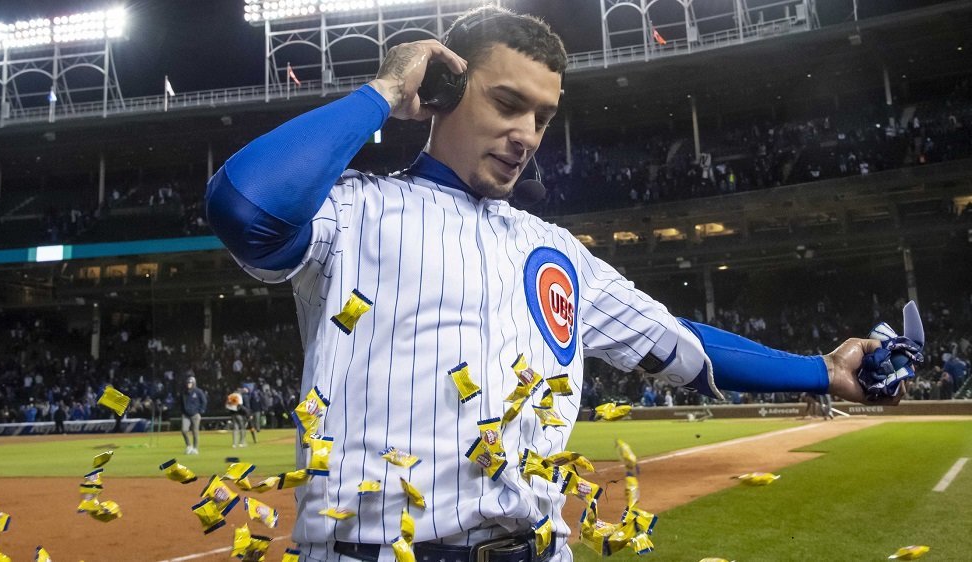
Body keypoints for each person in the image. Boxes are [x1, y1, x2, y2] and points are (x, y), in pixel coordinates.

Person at [206, 6, 902, 561]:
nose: (526, 134)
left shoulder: (556, 252)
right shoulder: (353, 209)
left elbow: (681, 344)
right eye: (507, 103)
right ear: (443, 89)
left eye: (542, 117)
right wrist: (385, 91)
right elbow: (245, 206)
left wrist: (823, 372)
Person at [179, 375, 207, 455]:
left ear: (194, 383)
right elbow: (181, 402)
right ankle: (189, 445)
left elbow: (204, 401)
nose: (188, 384)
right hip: (185, 414)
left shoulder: (198, 391)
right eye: (188, 383)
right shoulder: (184, 392)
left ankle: (195, 448)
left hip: (195, 414)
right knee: (184, 430)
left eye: (190, 383)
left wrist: (201, 411)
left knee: (195, 431)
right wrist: (182, 411)